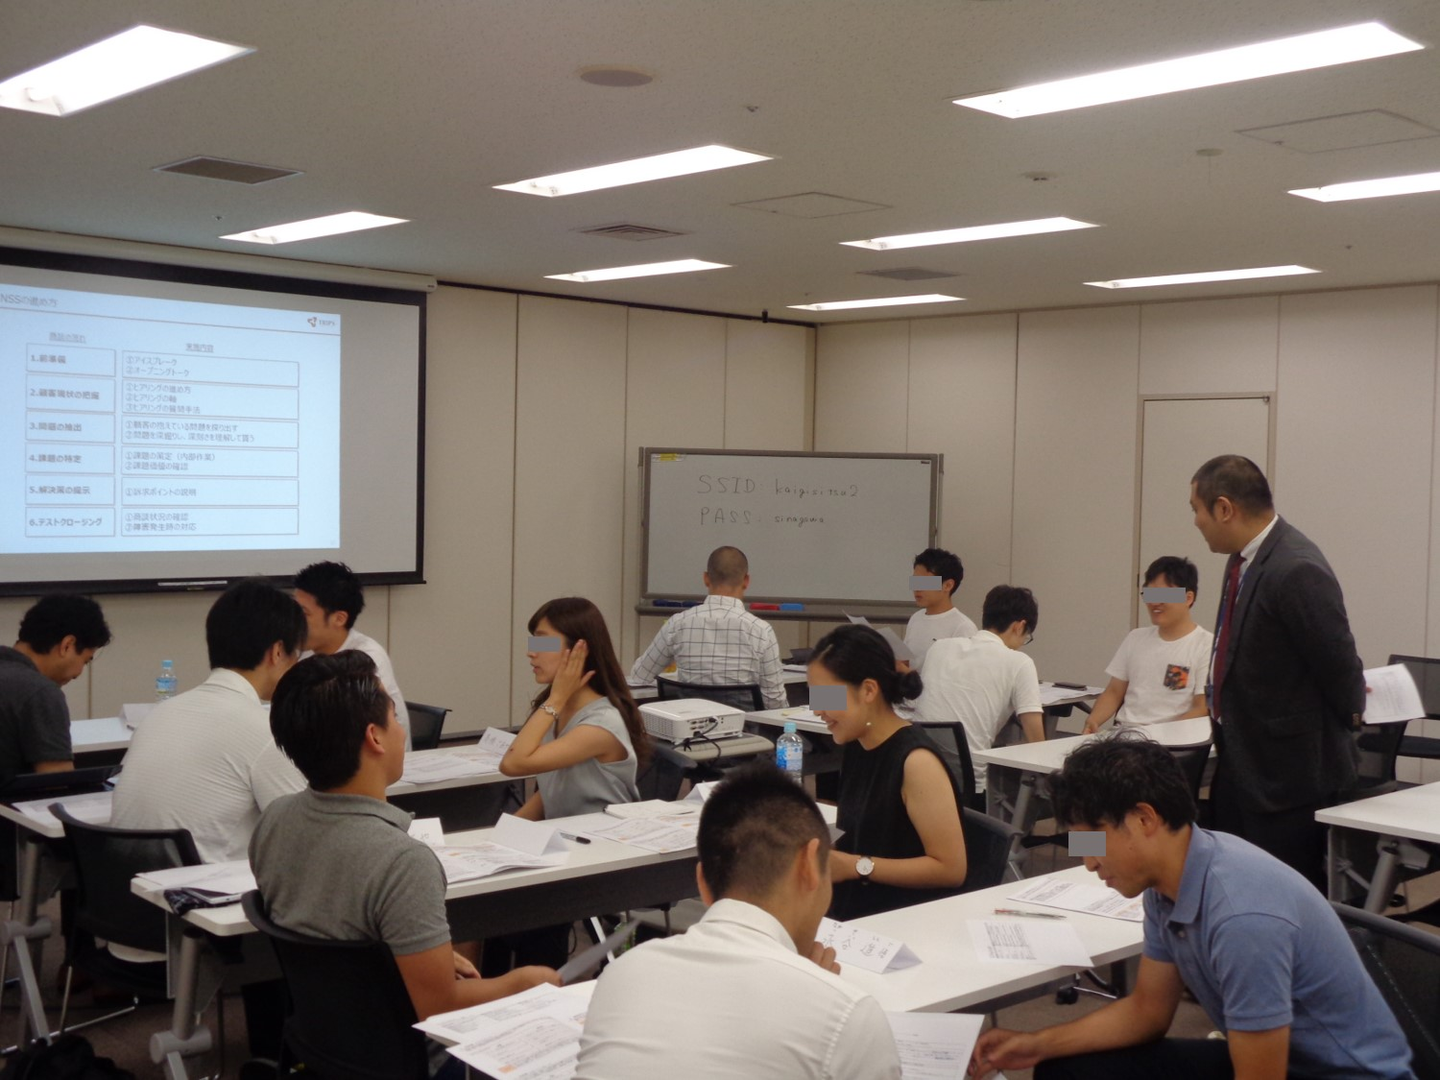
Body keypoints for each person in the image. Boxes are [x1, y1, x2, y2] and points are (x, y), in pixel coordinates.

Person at [970, 736, 1415, 1080]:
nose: (1088, 862)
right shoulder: (1169, 879)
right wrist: (1036, 1043)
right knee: (1065, 1070)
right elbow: (1148, 1011)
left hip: (1339, 1074)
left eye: (1094, 841)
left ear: (1144, 819)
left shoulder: (1242, 917)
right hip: (1280, 1059)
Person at [252, 652, 557, 1073]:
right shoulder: (401, 862)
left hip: (323, 1051)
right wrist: (521, 982)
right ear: (374, 737)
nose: (400, 730)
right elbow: (439, 1008)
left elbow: (331, 927)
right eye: (395, 717)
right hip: (406, 1062)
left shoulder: (275, 820)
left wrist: (408, 956)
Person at [575, 767, 902, 1080]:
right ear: (810, 864)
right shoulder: (847, 1015)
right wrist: (820, 995)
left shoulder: (621, 974)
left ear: (702, 882)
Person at [1189, 455, 1364, 887]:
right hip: (1241, 760)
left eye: (1196, 509)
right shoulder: (1243, 560)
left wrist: (1349, 721)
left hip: (1287, 779)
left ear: (1224, 508)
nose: (1195, 522)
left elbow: (1338, 664)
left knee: (1281, 893)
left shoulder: (1296, 567)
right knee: (1235, 884)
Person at [491, 597, 651, 974]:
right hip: (565, 847)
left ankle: (532, 988)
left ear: (579, 651)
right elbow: (549, 793)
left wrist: (556, 697)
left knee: (512, 909)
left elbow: (513, 764)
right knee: (483, 898)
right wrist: (496, 840)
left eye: (543, 641)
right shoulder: (557, 711)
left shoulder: (600, 723)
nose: (531, 652)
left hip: (603, 856)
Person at [112, 579, 307, 863]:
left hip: (127, 884)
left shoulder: (160, 713)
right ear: (277, 652)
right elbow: (306, 833)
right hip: (201, 887)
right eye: (297, 655)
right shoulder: (265, 731)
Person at [809, 623, 966, 920]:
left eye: (825, 696)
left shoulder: (916, 762)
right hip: (857, 908)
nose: (817, 710)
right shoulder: (859, 743)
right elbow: (866, 830)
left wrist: (854, 865)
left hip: (900, 919)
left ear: (869, 690)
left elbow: (951, 870)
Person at [911, 585, 1043, 802]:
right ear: (1019, 626)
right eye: (1026, 637)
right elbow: (1036, 740)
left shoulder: (939, 648)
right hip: (969, 788)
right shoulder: (1019, 662)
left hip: (918, 775)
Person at [629, 545, 787, 710]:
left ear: (706, 578)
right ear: (746, 581)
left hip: (690, 724)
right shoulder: (761, 631)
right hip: (745, 725)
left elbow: (639, 676)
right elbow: (774, 702)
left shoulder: (677, 624)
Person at [1083, 556, 1213, 733]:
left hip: (1172, 739)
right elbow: (1114, 691)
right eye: (1150, 594)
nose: (1154, 603)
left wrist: (1160, 736)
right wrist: (1093, 720)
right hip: (1124, 733)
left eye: (1163, 595)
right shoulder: (1135, 638)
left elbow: (1201, 708)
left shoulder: (1206, 645)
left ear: (1188, 598)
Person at [293, 560, 411, 744]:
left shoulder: (366, 658)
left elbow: (358, 735)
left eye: (304, 613)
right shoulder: (305, 653)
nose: (293, 620)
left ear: (339, 619)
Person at [0, 594, 110, 784]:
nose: (78, 673)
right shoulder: (40, 692)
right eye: (85, 661)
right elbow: (57, 784)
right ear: (67, 645)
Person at [903, 546, 977, 671]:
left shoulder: (963, 627)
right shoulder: (916, 618)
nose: (917, 588)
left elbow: (963, 674)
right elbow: (907, 661)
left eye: (925, 582)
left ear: (948, 585)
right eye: (915, 581)